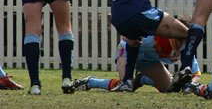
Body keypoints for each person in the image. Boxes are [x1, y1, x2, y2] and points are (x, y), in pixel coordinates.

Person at [73, 35, 201, 93]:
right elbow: (127, 38)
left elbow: (196, 73)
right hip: (128, 51)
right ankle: (90, 82)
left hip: (148, 61)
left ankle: (142, 79)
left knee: (169, 89)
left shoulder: (186, 48)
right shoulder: (159, 34)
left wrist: (190, 85)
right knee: (124, 86)